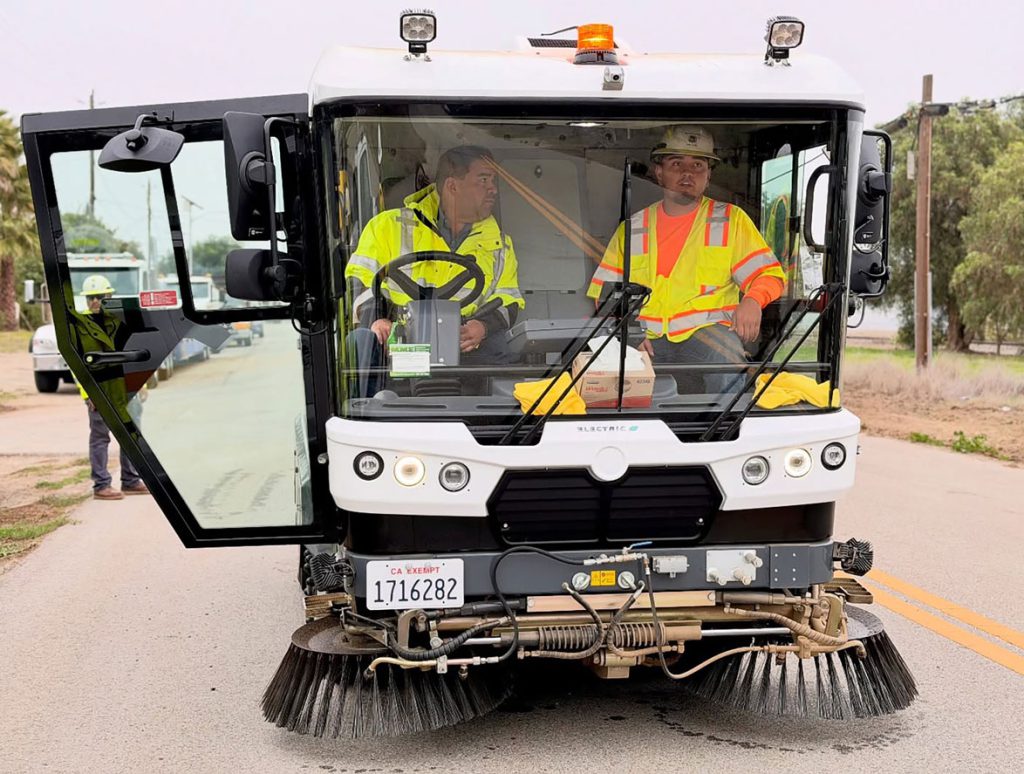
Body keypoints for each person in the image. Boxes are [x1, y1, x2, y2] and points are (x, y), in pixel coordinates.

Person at [587, 125, 786, 394]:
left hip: (707, 337)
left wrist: (752, 300)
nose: (687, 173)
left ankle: (731, 429)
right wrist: (631, 334)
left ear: (708, 175)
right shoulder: (632, 229)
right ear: (659, 172)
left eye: (698, 165)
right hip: (644, 338)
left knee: (727, 355)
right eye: (677, 163)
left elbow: (769, 275)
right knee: (607, 366)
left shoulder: (730, 220)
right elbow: (605, 291)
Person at [343, 145, 525, 396]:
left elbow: (510, 300)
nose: (493, 189)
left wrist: (481, 327)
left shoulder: (501, 244)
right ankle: (369, 417)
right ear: (452, 186)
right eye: (483, 180)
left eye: (494, 181)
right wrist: (376, 319)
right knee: (361, 342)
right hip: (399, 343)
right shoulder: (386, 226)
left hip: (467, 347)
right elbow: (359, 279)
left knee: (505, 347)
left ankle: (498, 424)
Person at [71, 274, 150, 501]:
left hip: (125, 388)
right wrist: (89, 393)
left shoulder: (120, 323)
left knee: (130, 435)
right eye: (91, 298)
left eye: (100, 297)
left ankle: (131, 480)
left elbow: (132, 355)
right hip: (99, 390)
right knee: (100, 437)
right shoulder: (78, 327)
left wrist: (140, 383)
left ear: (109, 297)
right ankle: (101, 485)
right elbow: (76, 365)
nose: (95, 302)